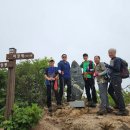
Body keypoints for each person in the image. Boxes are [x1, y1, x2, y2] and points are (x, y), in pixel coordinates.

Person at [105, 48, 129, 116]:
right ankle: (118, 104)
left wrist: (108, 65)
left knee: (118, 93)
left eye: (111, 52)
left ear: (114, 53)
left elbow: (117, 69)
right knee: (110, 91)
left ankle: (123, 110)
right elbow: (112, 70)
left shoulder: (117, 59)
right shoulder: (112, 60)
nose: (109, 54)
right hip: (113, 78)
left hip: (117, 78)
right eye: (109, 53)